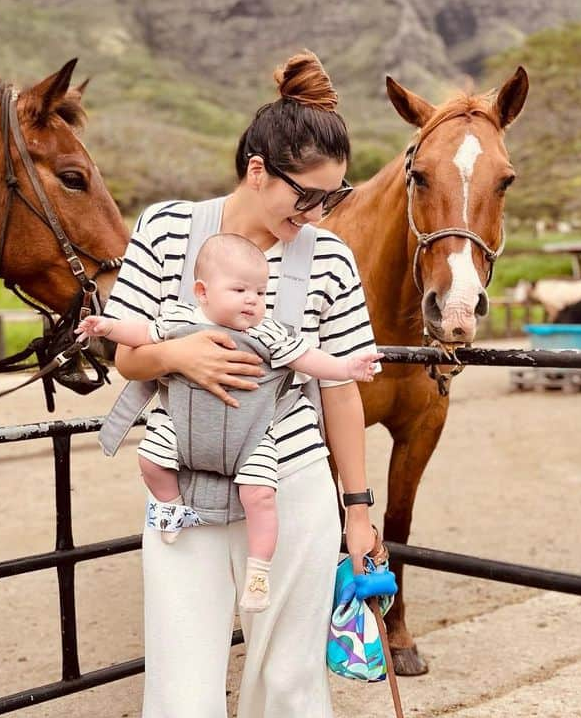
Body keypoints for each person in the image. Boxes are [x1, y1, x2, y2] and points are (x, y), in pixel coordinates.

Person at [101, 50, 379, 718]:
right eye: (306, 197)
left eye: (332, 200)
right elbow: (124, 363)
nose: (315, 217)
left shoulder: (329, 257)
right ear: (257, 169)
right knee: (183, 698)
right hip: (186, 486)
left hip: (291, 483)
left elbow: (343, 395)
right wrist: (182, 354)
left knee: (286, 681)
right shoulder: (169, 230)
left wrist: (358, 507)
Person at [77, 232, 379, 612]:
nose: (252, 300)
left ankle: (258, 570)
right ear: (202, 292)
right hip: (184, 428)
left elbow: (307, 358)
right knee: (150, 459)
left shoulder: (268, 333)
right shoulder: (179, 318)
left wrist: (346, 365)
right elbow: (140, 333)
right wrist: (105, 328)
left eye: (260, 292)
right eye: (239, 290)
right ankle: (170, 506)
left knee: (261, 495)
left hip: (250, 436)